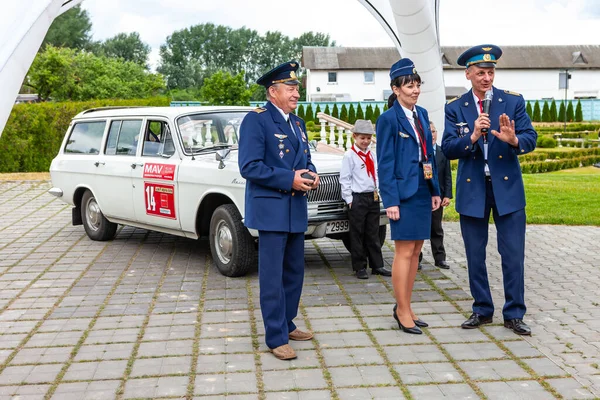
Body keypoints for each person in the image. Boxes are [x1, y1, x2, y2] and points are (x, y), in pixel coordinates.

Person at [441, 45, 537, 336]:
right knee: (475, 254)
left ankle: (514, 313)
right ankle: (482, 309)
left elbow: (530, 138)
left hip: (507, 189)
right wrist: (470, 136)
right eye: (480, 73)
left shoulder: (512, 102)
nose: (486, 78)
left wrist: (514, 140)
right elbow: (447, 148)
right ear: (468, 74)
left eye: (490, 72)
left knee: (513, 253)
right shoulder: (455, 107)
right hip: (473, 189)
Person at [238, 60, 320, 360]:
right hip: (272, 211)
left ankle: (287, 323)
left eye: (297, 87)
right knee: (272, 277)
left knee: (294, 273)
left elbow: (305, 159)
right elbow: (249, 167)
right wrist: (291, 178)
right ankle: (275, 337)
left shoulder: (296, 124)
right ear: (273, 92)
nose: (297, 93)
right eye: (291, 88)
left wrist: (310, 173)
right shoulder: (257, 121)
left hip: (295, 209)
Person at [376, 58, 441, 335]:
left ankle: (408, 305)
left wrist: (436, 189)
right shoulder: (388, 119)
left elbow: (429, 156)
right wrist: (390, 200)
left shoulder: (422, 114)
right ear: (395, 89)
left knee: (416, 251)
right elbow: (385, 162)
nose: (415, 90)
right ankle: (401, 310)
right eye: (409, 86)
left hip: (423, 191)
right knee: (403, 251)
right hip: (402, 194)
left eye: (417, 85)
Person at [340, 119, 392, 279]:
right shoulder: (349, 156)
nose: (366, 141)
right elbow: (345, 178)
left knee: (373, 232)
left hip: (372, 197)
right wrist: (349, 199)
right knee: (357, 233)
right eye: (362, 138)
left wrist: (379, 193)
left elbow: (376, 174)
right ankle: (360, 266)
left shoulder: (372, 154)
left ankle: (377, 265)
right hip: (357, 198)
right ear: (354, 137)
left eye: (368, 138)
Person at [418, 121, 452, 270]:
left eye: (434, 131)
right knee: (418, 229)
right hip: (422, 195)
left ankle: (440, 258)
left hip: (437, 196)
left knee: (436, 228)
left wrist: (447, 195)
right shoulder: (421, 153)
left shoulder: (442, 152)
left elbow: (447, 176)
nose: (432, 134)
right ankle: (416, 258)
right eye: (429, 131)